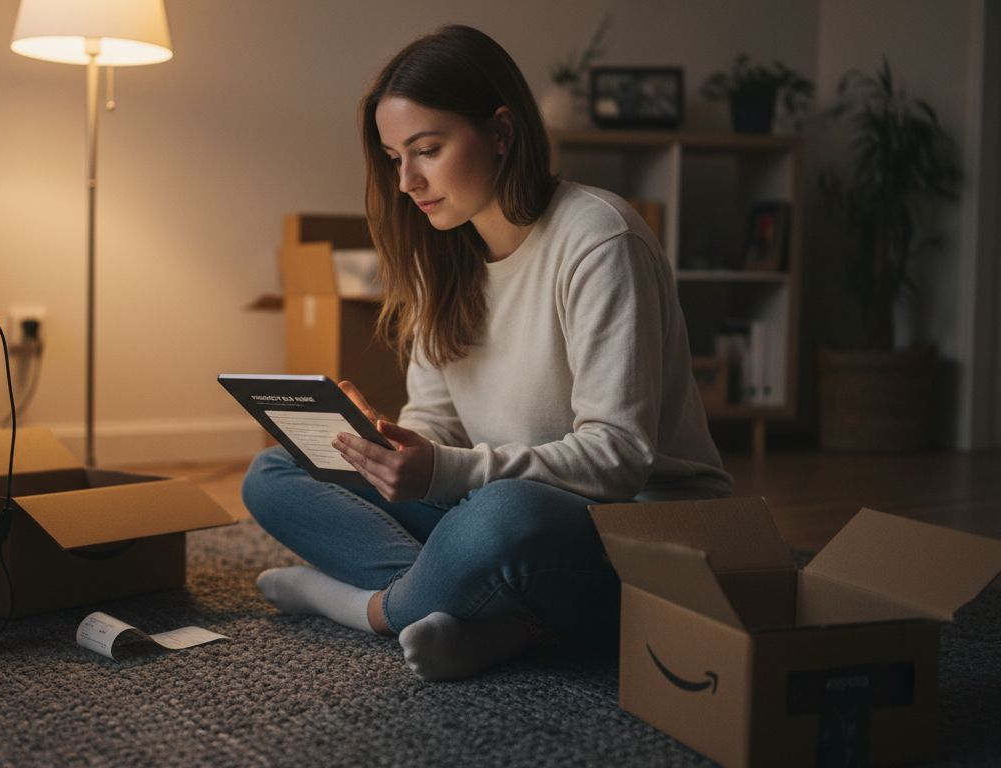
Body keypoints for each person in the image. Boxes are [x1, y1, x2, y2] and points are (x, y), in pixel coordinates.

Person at [242, 24, 731, 682]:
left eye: (427, 150)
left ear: (502, 134)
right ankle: (489, 618)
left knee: (504, 512)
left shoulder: (598, 239)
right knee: (276, 472)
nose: (408, 181)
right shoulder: (441, 258)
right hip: (495, 504)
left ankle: (372, 608)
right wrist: (385, 444)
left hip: (641, 538)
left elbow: (617, 458)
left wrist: (441, 470)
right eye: (394, 158)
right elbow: (438, 426)